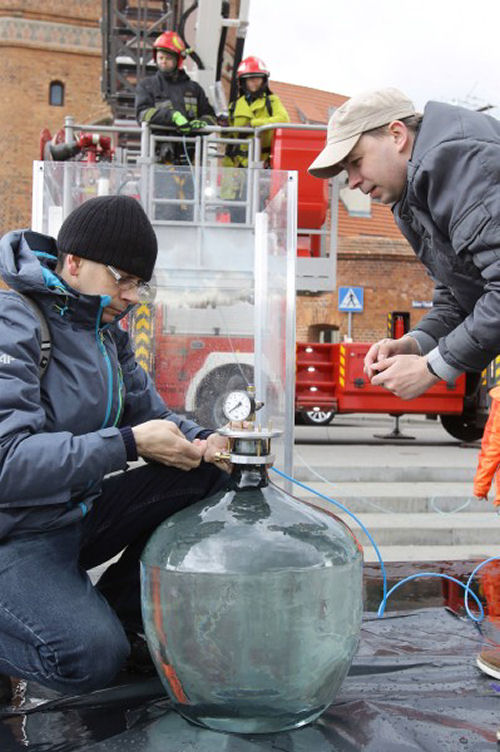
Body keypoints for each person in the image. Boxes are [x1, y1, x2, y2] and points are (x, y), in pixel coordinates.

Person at [0, 195, 229, 703]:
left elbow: (154, 416)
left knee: (211, 474)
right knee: (88, 659)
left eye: (139, 284)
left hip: (73, 516)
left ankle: (117, 617)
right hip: (14, 534)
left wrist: (204, 442)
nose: (131, 295)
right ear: (74, 262)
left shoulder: (107, 334)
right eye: (122, 278)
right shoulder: (13, 322)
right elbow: (8, 463)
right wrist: (124, 444)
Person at [308, 87, 500, 402]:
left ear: (397, 135)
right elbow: (458, 296)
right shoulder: (412, 194)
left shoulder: (457, 163)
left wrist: (433, 367)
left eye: (356, 161)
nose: (352, 181)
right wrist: (416, 343)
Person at [135, 30, 217, 219]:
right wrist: (172, 116)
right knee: (165, 207)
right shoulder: (148, 86)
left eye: (167, 58)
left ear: (178, 61)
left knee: (190, 210)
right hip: (161, 159)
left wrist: (200, 124)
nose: (163, 61)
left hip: (189, 160)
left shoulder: (193, 89)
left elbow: (210, 116)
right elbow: (142, 113)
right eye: (160, 57)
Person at [221, 56, 290, 222]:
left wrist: (255, 124)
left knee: (258, 210)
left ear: (264, 80)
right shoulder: (236, 106)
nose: (253, 84)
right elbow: (229, 136)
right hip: (236, 169)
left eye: (257, 79)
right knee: (235, 211)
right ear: (243, 83)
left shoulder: (271, 102)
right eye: (249, 80)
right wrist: (224, 126)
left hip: (260, 164)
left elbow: (283, 119)